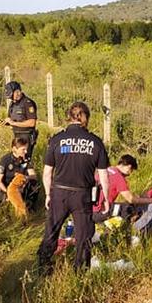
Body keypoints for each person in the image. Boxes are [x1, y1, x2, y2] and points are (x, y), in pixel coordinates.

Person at [37, 101, 110, 272]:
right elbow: (103, 175)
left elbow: (47, 172)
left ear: (69, 117)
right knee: (84, 235)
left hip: (59, 192)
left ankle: (43, 266)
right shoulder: (95, 142)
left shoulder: (57, 139)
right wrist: (106, 198)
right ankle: (80, 272)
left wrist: (48, 194)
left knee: (52, 230)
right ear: (86, 118)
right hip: (82, 195)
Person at [92, 154, 152, 223]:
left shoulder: (107, 170)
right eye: (131, 171)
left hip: (88, 208)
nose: (129, 174)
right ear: (129, 167)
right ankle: (135, 229)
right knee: (128, 209)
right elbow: (132, 199)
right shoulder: (119, 178)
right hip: (99, 212)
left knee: (121, 206)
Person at [0, 135, 38, 215]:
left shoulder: (26, 159)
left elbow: (33, 176)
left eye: (26, 149)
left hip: (21, 185)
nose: (26, 152)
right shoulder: (5, 160)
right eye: (23, 149)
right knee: (7, 206)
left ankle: (31, 208)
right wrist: (8, 192)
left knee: (35, 185)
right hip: (7, 187)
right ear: (15, 149)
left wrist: (25, 179)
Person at [3, 81, 38, 158]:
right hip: (16, 135)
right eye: (10, 97)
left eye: (12, 96)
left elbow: (32, 123)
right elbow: (13, 119)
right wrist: (8, 122)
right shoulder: (12, 104)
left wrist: (13, 123)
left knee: (24, 160)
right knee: (15, 159)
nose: (11, 99)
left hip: (26, 136)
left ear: (18, 92)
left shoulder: (28, 103)